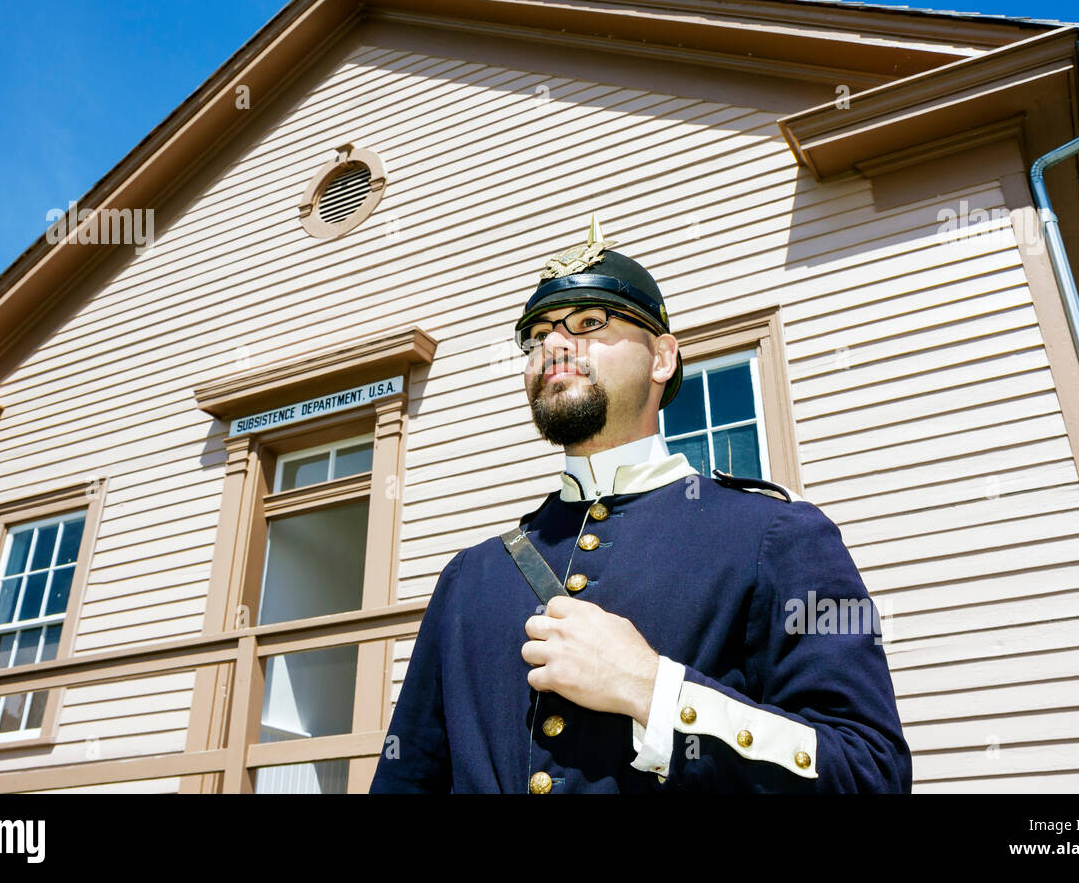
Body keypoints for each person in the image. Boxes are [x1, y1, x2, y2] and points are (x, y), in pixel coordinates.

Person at [369, 216, 911, 793]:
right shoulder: (468, 578)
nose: (552, 344)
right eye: (537, 335)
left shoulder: (774, 535)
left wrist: (652, 690)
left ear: (661, 359)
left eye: (587, 321)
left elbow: (869, 772)